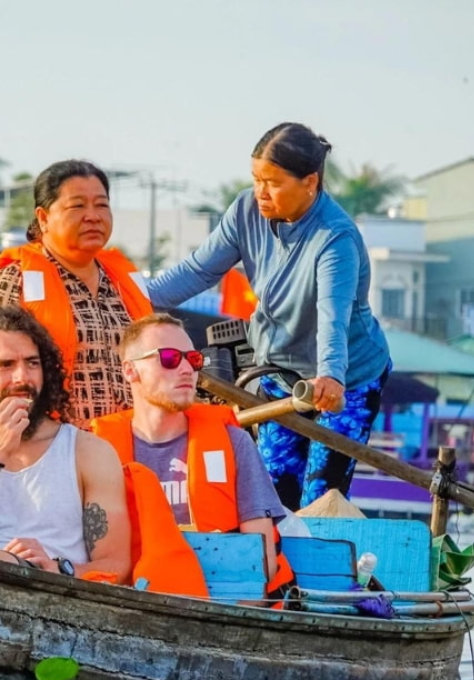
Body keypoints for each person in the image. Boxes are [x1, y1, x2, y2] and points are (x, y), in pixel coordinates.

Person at [147, 122, 391, 511]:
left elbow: (333, 314)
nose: (261, 192)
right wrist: (133, 300)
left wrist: (331, 375)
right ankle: (277, 571)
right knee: (273, 493)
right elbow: (199, 271)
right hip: (280, 375)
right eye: (257, 179)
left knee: (320, 498)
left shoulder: (335, 238)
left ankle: (313, 571)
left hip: (345, 381)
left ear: (310, 182)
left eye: (273, 182)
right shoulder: (246, 209)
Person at [92, 313, 294, 600]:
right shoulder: (98, 450)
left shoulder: (233, 442)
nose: (187, 368)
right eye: (170, 358)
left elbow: (262, 564)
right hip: (127, 603)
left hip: (222, 607)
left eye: (193, 359)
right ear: (130, 371)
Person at [0, 305, 131, 581]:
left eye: (32, 363)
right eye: (5, 365)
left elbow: (116, 564)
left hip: (57, 598)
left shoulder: (88, 451)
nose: (23, 377)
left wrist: (58, 568)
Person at [0, 159, 152, 427]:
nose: (93, 215)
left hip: (129, 447)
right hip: (50, 447)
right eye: (77, 205)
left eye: (102, 205)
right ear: (43, 218)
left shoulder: (123, 280)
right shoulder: (15, 279)